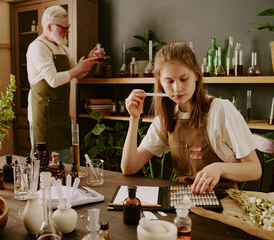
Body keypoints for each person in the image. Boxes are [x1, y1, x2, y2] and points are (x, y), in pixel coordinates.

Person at [121, 42, 261, 194]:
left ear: (196, 75)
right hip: (184, 201)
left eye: (183, 79)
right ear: (160, 82)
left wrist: (219, 168)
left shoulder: (221, 110)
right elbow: (129, 168)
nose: (177, 88)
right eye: (169, 81)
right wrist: (134, 118)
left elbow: (254, 170)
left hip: (224, 200)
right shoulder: (166, 118)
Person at [27, 6, 103, 162]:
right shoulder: (37, 47)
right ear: (49, 27)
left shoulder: (62, 48)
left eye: (68, 27)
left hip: (61, 113)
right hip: (42, 113)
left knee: (63, 161)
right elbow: (53, 80)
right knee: (43, 161)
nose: (67, 31)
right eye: (64, 28)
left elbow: (78, 73)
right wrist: (78, 69)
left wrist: (90, 60)